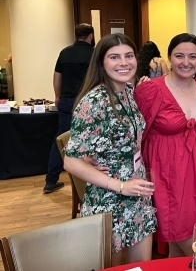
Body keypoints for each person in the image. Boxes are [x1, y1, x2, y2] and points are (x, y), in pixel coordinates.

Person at [63, 33, 156, 266]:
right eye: (114, 57)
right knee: (109, 267)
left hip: (137, 189)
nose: (123, 63)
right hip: (109, 195)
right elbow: (70, 161)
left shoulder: (127, 90)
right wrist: (120, 186)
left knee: (140, 267)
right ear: (101, 62)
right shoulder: (95, 100)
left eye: (129, 56)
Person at [134, 33, 196, 257]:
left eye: (193, 56)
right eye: (179, 55)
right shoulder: (150, 89)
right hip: (168, 173)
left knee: (180, 246)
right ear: (169, 58)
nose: (186, 62)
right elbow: (132, 132)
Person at [44, 23, 95, 194]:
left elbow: (57, 77)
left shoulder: (64, 52)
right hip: (87, 101)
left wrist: (58, 96)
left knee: (62, 139)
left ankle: (51, 180)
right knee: (90, 139)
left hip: (66, 100)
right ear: (91, 36)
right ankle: (89, 180)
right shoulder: (93, 54)